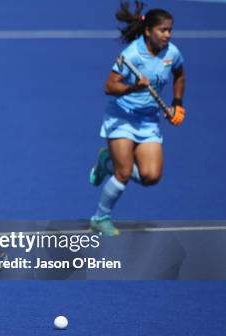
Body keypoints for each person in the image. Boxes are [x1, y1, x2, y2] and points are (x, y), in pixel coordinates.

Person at [89, 1, 185, 235]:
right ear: (148, 31)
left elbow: (180, 74)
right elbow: (109, 86)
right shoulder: (131, 54)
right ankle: (100, 218)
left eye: (170, 30)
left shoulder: (172, 53)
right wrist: (134, 88)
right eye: (163, 30)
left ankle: (107, 162)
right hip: (122, 117)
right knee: (124, 173)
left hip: (148, 121)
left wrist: (177, 104)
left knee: (150, 176)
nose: (167, 35)